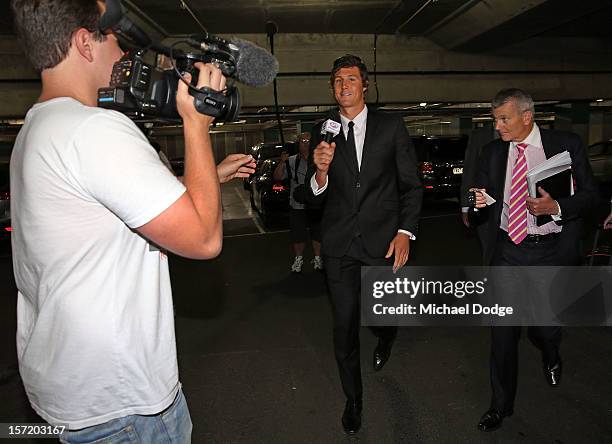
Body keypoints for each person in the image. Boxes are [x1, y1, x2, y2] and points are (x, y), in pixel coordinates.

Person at [10, 0, 253, 441]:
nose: (123, 55)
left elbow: (116, 205)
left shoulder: (39, 128)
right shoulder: (94, 129)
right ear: (85, 43)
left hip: (70, 392)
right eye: (115, 41)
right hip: (124, 407)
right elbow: (203, 239)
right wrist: (196, 125)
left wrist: (208, 177)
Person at [471, 88, 598, 432]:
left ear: (527, 116)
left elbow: (590, 196)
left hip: (551, 251)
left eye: (504, 119)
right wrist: (477, 201)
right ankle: (500, 406)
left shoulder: (566, 144)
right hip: (508, 251)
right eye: (495, 118)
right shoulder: (493, 152)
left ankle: (551, 351)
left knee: (544, 328)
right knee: (502, 335)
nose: (498, 126)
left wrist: (556, 207)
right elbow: (482, 193)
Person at [308, 54, 423, 434]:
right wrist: (320, 173)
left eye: (352, 79)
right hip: (339, 245)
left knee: (381, 314)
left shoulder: (391, 126)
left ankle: (387, 333)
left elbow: (411, 186)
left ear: (365, 85)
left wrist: (405, 232)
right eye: (338, 81)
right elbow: (312, 196)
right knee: (344, 326)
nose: (344, 86)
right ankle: (353, 399)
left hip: (381, 242)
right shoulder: (321, 131)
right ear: (332, 87)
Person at [273, 132, 323, 272]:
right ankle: (298, 259)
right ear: (298, 143)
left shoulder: (317, 159)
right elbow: (278, 177)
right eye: (302, 141)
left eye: (308, 140)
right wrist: (282, 162)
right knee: (297, 234)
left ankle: (318, 259)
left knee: (317, 232)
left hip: (315, 203)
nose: (306, 143)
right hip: (297, 205)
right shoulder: (292, 161)